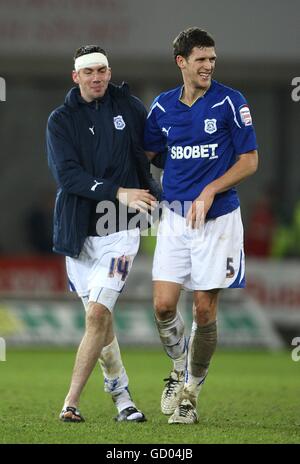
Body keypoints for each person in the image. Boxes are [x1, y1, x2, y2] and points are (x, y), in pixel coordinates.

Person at [144, 27, 258, 424]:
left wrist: (209, 188)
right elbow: (152, 153)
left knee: (204, 311)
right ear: (181, 62)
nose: (209, 66)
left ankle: (190, 392)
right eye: (201, 60)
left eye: (212, 59)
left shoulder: (231, 102)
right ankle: (178, 367)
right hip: (176, 218)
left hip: (219, 219)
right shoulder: (160, 109)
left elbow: (249, 161)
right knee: (162, 306)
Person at [46, 44, 161, 423]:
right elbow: (68, 177)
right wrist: (117, 189)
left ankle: (70, 402)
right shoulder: (61, 120)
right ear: (75, 76)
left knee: (96, 316)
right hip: (78, 232)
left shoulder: (129, 107)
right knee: (102, 322)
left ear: (110, 72)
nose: (97, 77)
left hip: (120, 225)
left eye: (103, 70)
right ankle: (123, 397)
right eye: (89, 72)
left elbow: (154, 151)